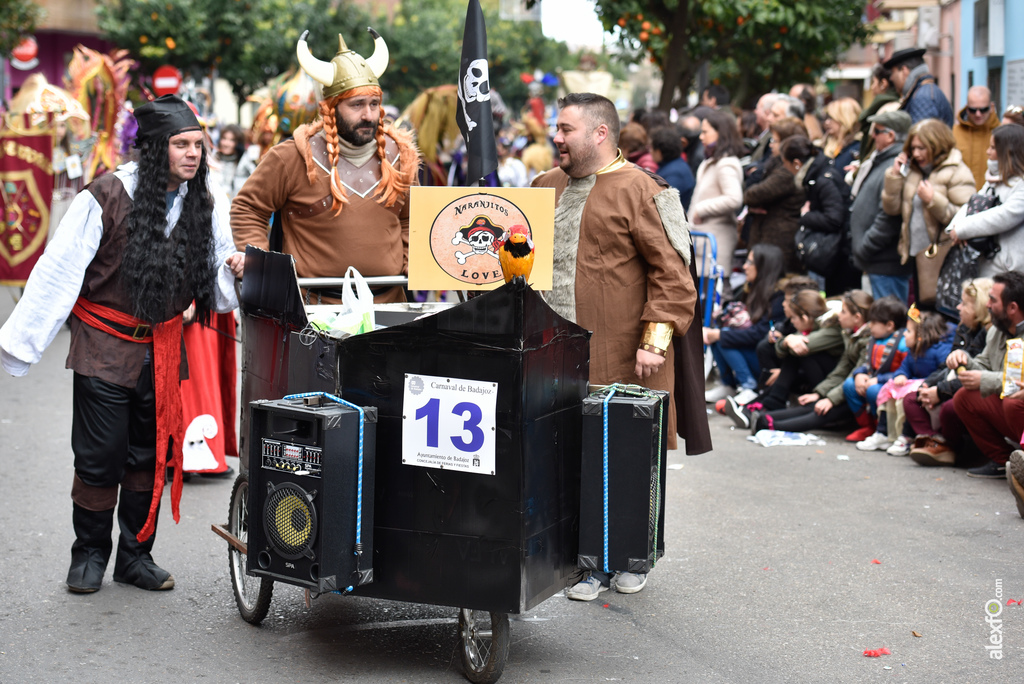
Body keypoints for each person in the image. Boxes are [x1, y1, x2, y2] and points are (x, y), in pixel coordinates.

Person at [0, 95, 245, 594]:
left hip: (163, 349)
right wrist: (21, 345)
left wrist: (236, 268)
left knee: (149, 456)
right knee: (99, 458)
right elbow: (58, 271)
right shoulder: (105, 195)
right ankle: (88, 554)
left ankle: (135, 556)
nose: (193, 154)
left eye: (197, 145)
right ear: (155, 149)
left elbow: (220, 280)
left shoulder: (206, 200)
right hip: (104, 348)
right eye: (181, 145)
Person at [532, 92, 707, 599]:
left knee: (626, 458)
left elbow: (674, 277)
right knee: (569, 457)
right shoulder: (545, 186)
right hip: (552, 354)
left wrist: (654, 340)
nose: (556, 137)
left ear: (600, 133)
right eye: (556, 128)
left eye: (566, 129)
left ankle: (631, 557)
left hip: (624, 353)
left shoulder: (643, 189)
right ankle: (585, 563)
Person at [231, 29, 420, 303]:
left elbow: (410, 221)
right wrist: (265, 269)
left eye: (374, 104)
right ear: (329, 108)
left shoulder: (401, 156)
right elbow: (248, 208)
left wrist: (404, 261)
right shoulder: (291, 156)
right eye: (356, 105)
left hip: (389, 305)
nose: (368, 115)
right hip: (313, 310)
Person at [748, 289, 874, 434]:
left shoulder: (864, 339)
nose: (839, 314)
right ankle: (764, 417)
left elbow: (852, 374)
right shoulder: (851, 334)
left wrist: (830, 399)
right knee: (815, 404)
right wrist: (820, 393)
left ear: (857, 317)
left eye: (843, 312)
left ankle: (769, 424)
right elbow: (842, 369)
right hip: (841, 388)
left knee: (821, 411)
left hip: (855, 396)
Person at [881, 118, 975, 307]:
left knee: (935, 311)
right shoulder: (914, 171)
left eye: (922, 148)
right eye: (913, 148)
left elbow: (966, 217)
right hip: (912, 255)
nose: (916, 153)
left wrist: (933, 200)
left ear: (937, 145)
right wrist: (894, 176)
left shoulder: (957, 171)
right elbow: (892, 208)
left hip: (940, 259)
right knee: (916, 312)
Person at [724, 289, 844, 428]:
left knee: (797, 351)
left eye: (793, 318)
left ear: (804, 318)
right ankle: (755, 406)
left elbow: (803, 345)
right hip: (822, 378)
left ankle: (768, 404)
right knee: (789, 356)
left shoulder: (831, 328)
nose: (792, 322)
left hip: (832, 382)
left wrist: (787, 340)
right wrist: (788, 340)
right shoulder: (812, 325)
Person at [907, 278, 993, 466]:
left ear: (979, 308)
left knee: (951, 408)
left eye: (965, 304)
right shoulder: (963, 329)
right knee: (911, 399)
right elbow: (947, 367)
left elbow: (974, 375)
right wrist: (929, 384)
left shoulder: (989, 333)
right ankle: (935, 442)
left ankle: (950, 446)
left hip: (970, 388)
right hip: (951, 382)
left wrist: (940, 391)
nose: (958, 307)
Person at [950, 272, 1024, 478]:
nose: (988, 305)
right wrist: (963, 359)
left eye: (993, 300)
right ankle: (1005, 463)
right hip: (1008, 406)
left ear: (1012, 308)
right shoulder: (997, 330)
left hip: (1017, 405)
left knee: (1013, 401)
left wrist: (985, 380)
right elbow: (984, 364)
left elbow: (1019, 384)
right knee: (964, 398)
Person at [856, 307, 954, 452]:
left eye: (908, 332)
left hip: (926, 386)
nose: (904, 336)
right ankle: (884, 433)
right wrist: (900, 375)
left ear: (920, 335)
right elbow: (903, 368)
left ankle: (906, 437)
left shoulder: (939, 350)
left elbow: (942, 370)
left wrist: (928, 382)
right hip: (910, 384)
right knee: (889, 392)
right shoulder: (913, 352)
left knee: (907, 399)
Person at [703, 243, 787, 406]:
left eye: (750, 263)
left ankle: (750, 387)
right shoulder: (750, 289)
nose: (744, 267)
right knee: (718, 334)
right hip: (750, 351)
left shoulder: (779, 297)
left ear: (764, 267)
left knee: (723, 336)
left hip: (768, 361)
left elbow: (760, 334)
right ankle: (729, 386)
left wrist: (721, 334)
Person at [779, 136, 857, 295]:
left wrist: (806, 216)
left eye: (785, 164)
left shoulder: (823, 180)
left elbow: (834, 219)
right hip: (835, 254)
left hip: (838, 256)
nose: (785, 169)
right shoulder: (816, 176)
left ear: (796, 163)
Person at [850, 111, 915, 302]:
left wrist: (865, 247)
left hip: (885, 264)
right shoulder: (883, 161)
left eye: (877, 131)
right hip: (877, 263)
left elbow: (890, 216)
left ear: (890, 135)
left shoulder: (897, 167)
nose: (872, 136)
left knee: (888, 320)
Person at [947, 124, 1024, 277]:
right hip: (989, 263)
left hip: (1010, 269)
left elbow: (1003, 216)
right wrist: (955, 227)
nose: (988, 152)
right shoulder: (993, 179)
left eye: (993, 148)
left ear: (1008, 152)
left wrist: (963, 229)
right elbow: (974, 203)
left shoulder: (1020, 184)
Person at [689, 109, 745, 296]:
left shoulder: (726, 163)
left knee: (713, 301)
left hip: (715, 244)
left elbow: (734, 198)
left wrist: (701, 210)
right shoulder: (711, 161)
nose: (701, 136)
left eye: (706, 132)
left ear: (720, 132)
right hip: (702, 243)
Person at [742, 117, 808, 272]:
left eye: (776, 141)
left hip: (777, 241)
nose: (771, 144)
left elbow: (752, 194)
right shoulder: (775, 164)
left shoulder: (788, 171)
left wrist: (753, 201)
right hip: (767, 235)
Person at [842, 296, 909, 442]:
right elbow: (868, 364)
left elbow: (906, 371)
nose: (869, 326)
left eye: (873, 322)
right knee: (849, 385)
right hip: (873, 380)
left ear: (889, 325)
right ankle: (868, 426)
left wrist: (878, 379)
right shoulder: (874, 339)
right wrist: (859, 374)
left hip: (893, 384)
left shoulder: (903, 343)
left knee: (874, 391)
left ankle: (883, 429)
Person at [884, 48, 954, 127]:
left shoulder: (923, 97)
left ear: (904, 71)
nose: (891, 78)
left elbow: (921, 137)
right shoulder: (924, 92)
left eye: (893, 72)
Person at [953, 86, 1000, 191]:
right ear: (966, 108)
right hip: (961, 199)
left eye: (983, 109)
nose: (978, 114)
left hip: (992, 200)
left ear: (991, 107)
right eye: (973, 110)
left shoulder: (1001, 134)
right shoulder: (954, 133)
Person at [857, 64, 901, 163]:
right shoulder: (893, 104)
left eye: (874, 82)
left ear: (883, 84)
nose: (872, 87)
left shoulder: (886, 108)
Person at [651, 125, 695, 208]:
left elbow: (664, 204)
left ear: (659, 151)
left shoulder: (674, 174)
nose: (650, 152)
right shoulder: (675, 165)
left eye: (651, 148)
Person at [213, 124, 255, 199]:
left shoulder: (245, 164)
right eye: (224, 138)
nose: (226, 143)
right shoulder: (213, 159)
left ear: (238, 143)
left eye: (231, 140)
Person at [821, 97, 862, 172]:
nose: (827, 122)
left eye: (831, 118)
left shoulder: (858, 146)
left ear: (845, 119)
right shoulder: (825, 144)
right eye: (826, 118)